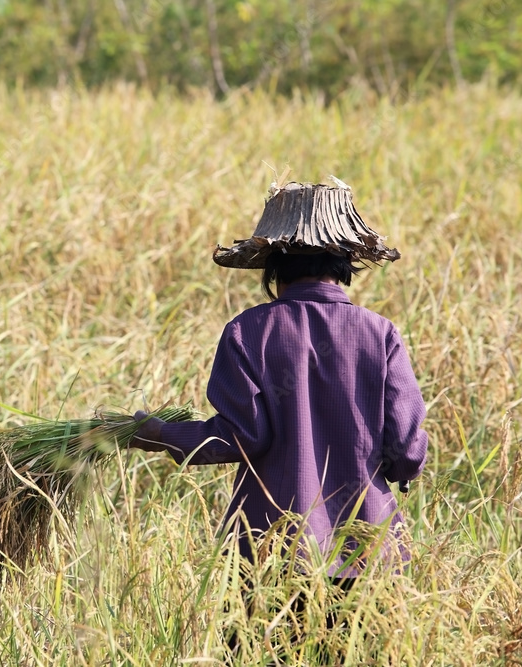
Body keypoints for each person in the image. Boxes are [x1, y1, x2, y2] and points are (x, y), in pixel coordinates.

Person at [130, 179, 429, 658]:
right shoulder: (380, 334)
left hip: (269, 559)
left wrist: (158, 433)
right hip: (367, 556)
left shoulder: (249, 331)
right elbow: (408, 452)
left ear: (272, 264)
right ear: (346, 262)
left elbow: (238, 438)